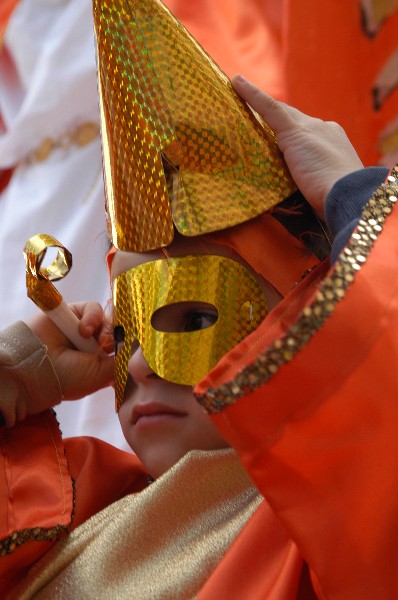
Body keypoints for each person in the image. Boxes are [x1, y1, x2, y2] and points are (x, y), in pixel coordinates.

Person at [1, 0, 398, 598]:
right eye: (129, 327)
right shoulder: (61, 517)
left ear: (306, 326)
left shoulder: (324, 519)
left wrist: (361, 203)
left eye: (195, 317)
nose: (134, 363)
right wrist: (10, 383)